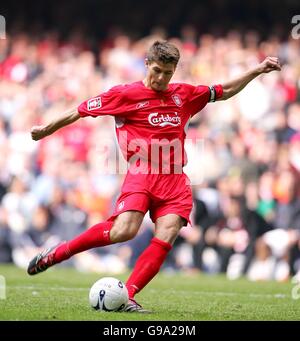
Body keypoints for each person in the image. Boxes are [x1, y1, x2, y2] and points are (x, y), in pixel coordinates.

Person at [27, 40, 281, 312]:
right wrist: (46, 129)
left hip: (175, 179)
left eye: (168, 73)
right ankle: (58, 253)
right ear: (147, 64)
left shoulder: (184, 94)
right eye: (157, 70)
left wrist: (257, 70)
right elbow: (79, 110)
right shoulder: (124, 95)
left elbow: (225, 90)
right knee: (123, 230)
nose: (161, 78)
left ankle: (129, 296)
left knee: (167, 233)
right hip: (142, 173)